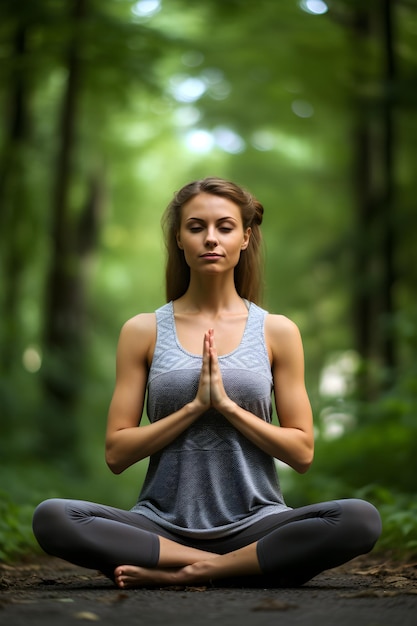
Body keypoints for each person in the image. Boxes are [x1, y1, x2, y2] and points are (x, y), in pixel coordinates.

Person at [32, 177, 381, 589]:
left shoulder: (278, 331)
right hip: (161, 527)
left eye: (225, 227)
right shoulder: (143, 331)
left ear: (246, 237)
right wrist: (194, 408)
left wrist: (227, 407)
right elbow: (116, 452)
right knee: (53, 517)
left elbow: (302, 452)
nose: (210, 239)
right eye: (196, 227)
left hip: (259, 525)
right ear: (179, 239)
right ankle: (234, 567)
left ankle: (193, 572)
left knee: (360, 518)